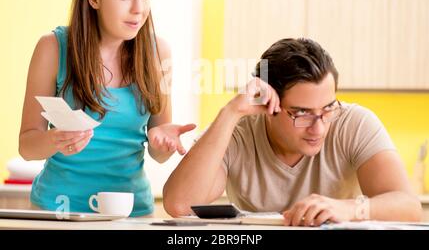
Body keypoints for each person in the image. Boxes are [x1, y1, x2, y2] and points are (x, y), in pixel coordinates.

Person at [19, 0, 195, 217]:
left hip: (132, 213)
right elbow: (27, 146)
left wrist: (164, 144)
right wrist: (56, 139)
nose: (138, 9)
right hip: (58, 212)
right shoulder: (52, 48)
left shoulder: (158, 52)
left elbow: (157, 152)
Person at [163, 38, 422, 226]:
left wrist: (345, 208)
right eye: (301, 113)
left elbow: (409, 207)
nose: (318, 127)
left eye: (328, 107)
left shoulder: (353, 124)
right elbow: (179, 205)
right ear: (268, 105)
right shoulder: (237, 133)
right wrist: (230, 112)